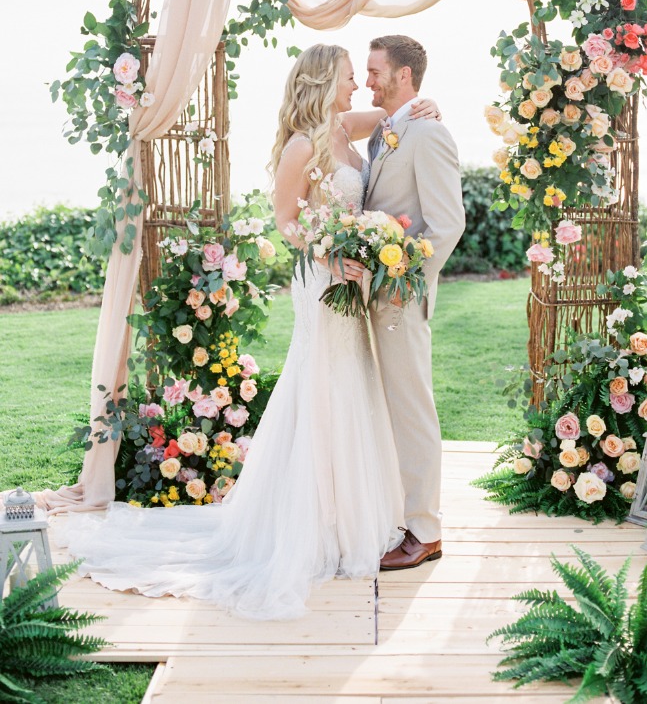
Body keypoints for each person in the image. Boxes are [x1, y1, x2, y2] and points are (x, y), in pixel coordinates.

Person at [59, 42, 441, 619]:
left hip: (355, 291)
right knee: (321, 390)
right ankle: (311, 528)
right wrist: (331, 257)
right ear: (321, 82)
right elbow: (286, 222)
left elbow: (396, 115)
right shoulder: (300, 146)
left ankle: (353, 518)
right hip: (323, 284)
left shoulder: (345, 126)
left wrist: (427, 104)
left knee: (355, 390)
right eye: (346, 77)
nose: (356, 86)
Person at [363, 35, 465, 571]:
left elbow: (447, 224)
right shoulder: (388, 130)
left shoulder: (427, 133)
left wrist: (403, 279)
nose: (367, 79)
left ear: (404, 75)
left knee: (411, 411)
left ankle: (424, 530)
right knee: (382, 411)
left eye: (376, 71)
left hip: (399, 299)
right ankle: (396, 515)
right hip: (370, 297)